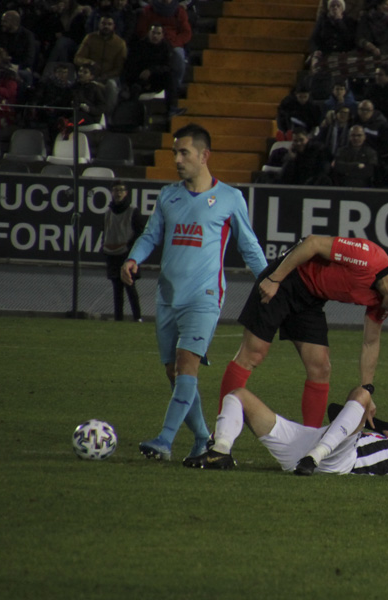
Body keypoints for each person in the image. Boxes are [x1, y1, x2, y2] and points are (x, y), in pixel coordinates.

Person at [122, 124, 269, 461]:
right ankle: (203, 437)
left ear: (205, 156)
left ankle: (165, 440)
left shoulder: (230, 198)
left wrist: (268, 280)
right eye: (175, 152)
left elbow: (249, 246)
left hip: (204, 297)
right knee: (174, 372)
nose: (177, 159)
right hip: (167, 296)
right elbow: (150, 235)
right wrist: (133, 258)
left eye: (184, 152)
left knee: (187, 365)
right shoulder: (168, 195)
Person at [220, 235, 388, 429]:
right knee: (253, 354)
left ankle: (309, 441)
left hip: (311, 299)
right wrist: (275, 278)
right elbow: (312, 243)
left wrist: (366, 391)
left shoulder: (383, 301)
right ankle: (218, 435)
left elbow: (371, 342)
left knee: (320, 367)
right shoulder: (369, 258)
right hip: (287, 280)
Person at [184, 385, 388, 477]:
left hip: (339, 460)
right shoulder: (385, 435)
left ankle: (314, 458)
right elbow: (337, 410)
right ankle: (220, 451)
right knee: (238, 396)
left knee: (363, 393)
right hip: (308, 442)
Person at [102, 180, 144, 322]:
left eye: (121, 190)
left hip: (127, 254)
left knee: (130, 286)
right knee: (116, 289)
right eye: (115, 190)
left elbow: (139, 232)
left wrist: (130, 248)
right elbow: (106, 231)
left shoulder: (133, 210)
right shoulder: (108, 212)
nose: (118, 193)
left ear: (126, 193)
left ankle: (137, 317)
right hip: (112, 254)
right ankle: (118, 318)